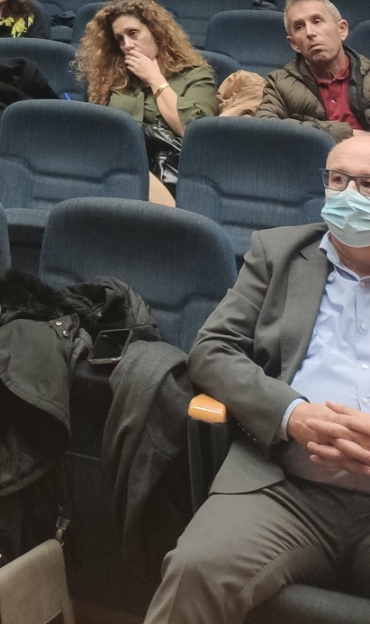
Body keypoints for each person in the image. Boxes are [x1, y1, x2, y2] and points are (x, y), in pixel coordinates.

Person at [141, 131, 370, 623]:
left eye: (367, 184)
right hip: (285, 487)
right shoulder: (279, 252)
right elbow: (212, 350)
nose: (349, 195)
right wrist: (291, 414)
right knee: (195, 570)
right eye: (337, 180)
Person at [75, 0, 218, 197]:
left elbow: (193, 132)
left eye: (133, 33)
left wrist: (154, 79)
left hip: (174, 175)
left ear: (156, 32)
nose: (127, 45)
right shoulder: (111, 78)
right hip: (113, 169)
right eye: (119, 39)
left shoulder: (194, 74)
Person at [257, 0, 369, 137]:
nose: (309, 33)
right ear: (294, 44)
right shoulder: (278, 83)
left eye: (317, 21)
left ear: (341, 30)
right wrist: (347, 133)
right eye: (299, 27)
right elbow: (265, 128)